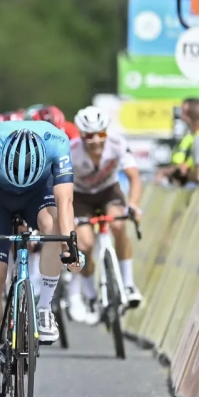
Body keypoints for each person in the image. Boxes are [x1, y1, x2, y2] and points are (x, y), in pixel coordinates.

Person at [0, 120, 84, 396]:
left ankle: (44, 308)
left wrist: (70, 247)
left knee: (55, 229)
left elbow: (65, 203)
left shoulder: (57, 141)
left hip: (38, 194)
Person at [67, 106, 143, 324]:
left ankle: (128, 284)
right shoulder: (71, 151)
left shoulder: (117, 144)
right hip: (80, 196)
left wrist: (134, 205)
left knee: (119, 226)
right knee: (85, 245)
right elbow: (59, 186)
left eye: (100, 134)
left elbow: (134, 177)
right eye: (89, 136)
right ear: (81, 135)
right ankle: (90, 295)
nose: (95, 141)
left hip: (109, 192)